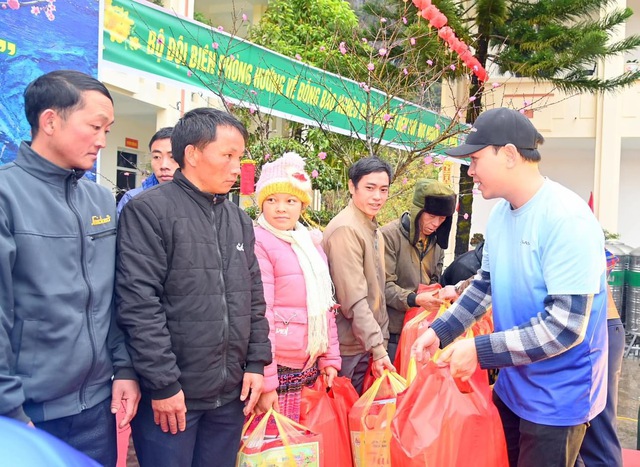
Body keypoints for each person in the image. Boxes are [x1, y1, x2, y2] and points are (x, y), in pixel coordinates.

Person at [412, 107, 608, 467]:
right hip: (513, 385)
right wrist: (440, 331)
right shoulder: (501, 214)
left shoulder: (567, 219)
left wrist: (480, 350)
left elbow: (565, 327)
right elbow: (486, 284)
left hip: (557, 399)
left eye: (475, 159)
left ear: (509, 155)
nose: (470, 171)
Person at [115, 107, 271, 467]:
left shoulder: (238, 219)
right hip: (174, 399)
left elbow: (254, 297)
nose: (237, 167)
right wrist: (164, 384)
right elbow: (139, 303)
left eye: (240, 157)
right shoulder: (149, 211)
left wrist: (256, 364)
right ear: (193, 154)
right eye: (228, 156)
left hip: (231, 395)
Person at [0, 70, 140, 467]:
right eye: (95, 126)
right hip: (27, 415)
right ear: (50, 121)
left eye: (107, 129)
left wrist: (125, 368)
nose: (102, 140)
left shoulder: (98, 199)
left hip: (97, 409)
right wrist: (9, 412)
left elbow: (115, 297)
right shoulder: (6, 195)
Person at [252, 152, 341, 422]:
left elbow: (326, 308)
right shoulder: (259, 243)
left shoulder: (310, 244)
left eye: (290, 201)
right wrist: (267, 381)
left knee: (300, 452)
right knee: (272, 452)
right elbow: (260, 313)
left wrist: (329, 359)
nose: (281, 208)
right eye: (272, 200)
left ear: (302, 206)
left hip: (309, 365)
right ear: (261, 204)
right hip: (277, 366)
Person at [322, 156, 395, 394]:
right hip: (347, 346)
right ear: (352, 187)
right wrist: (378, 346)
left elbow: (378, 293)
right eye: (370, 188)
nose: (377, 197)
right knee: (345, 418)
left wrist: (378, 341)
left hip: (364, 342)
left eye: (383, 190)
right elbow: (353, 300)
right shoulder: (346, 229)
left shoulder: (372, 228)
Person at [381, 178, 457, 362]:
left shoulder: (437, 242)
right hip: (394, 332)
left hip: (423, 329)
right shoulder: (389, 235)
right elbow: (384, 286)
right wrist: (414, 299)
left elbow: (434, 279)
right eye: (431, 216)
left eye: (442, 218)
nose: (436, 223)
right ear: (418, 211)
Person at [575, 249, 624, 467]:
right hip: (590, 329)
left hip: (597, 329)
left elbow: (609, 258)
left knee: (598, 431)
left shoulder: (569, 224)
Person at [116, 126, 178, 215]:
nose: (164, 166)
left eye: (172, 157)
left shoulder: (198, 197)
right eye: (156, 157)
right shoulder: (133, 199)